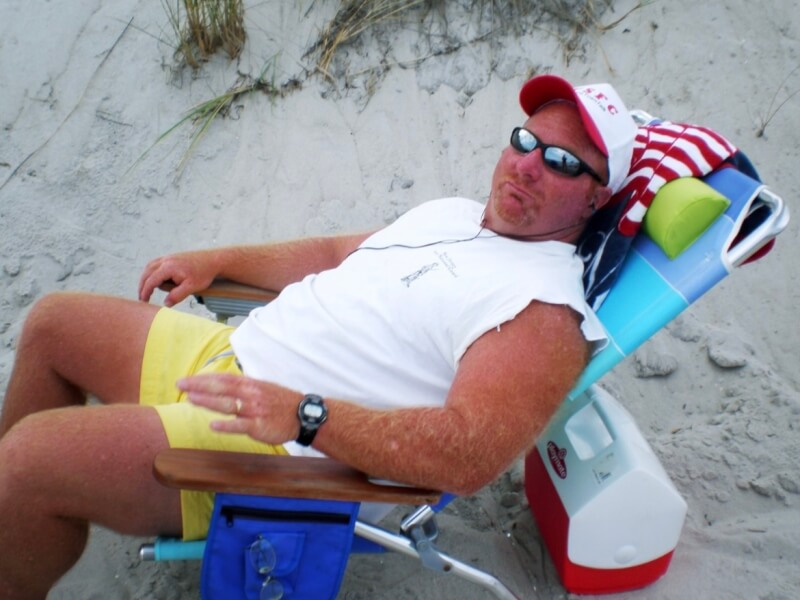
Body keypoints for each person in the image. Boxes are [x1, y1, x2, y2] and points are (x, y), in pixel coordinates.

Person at [0, 74, 636, 598]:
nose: (528, 166)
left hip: (275, 450)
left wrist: (304, 416)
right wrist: (220, 261)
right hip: (233, 357)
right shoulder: (454, 214)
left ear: (595, 198)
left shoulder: (542, 313)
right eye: (525, 140)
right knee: (54, 324)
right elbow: (335, 253)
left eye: (560, 162)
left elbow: (467, 456)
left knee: (28, 464)